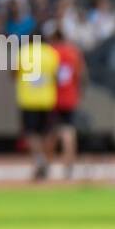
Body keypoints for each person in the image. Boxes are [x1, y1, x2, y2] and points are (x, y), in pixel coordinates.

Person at [14, 36, 60, 180]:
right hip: (47, 99)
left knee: (31, 133)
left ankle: (39, 159)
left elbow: (13, 73)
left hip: (28, 99)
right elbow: (56, 75)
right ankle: (46, 161)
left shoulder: (24, 52)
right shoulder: (51, 53)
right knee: (47, 132)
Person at [48, 24, 85, 180]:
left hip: (53, 97)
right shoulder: (74, 53)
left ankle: (46, 165)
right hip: (70, 96)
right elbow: (81, 74)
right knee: (68, 131)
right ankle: (68, 165)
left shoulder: (51, 52)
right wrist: (79, 92)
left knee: (51, 132)